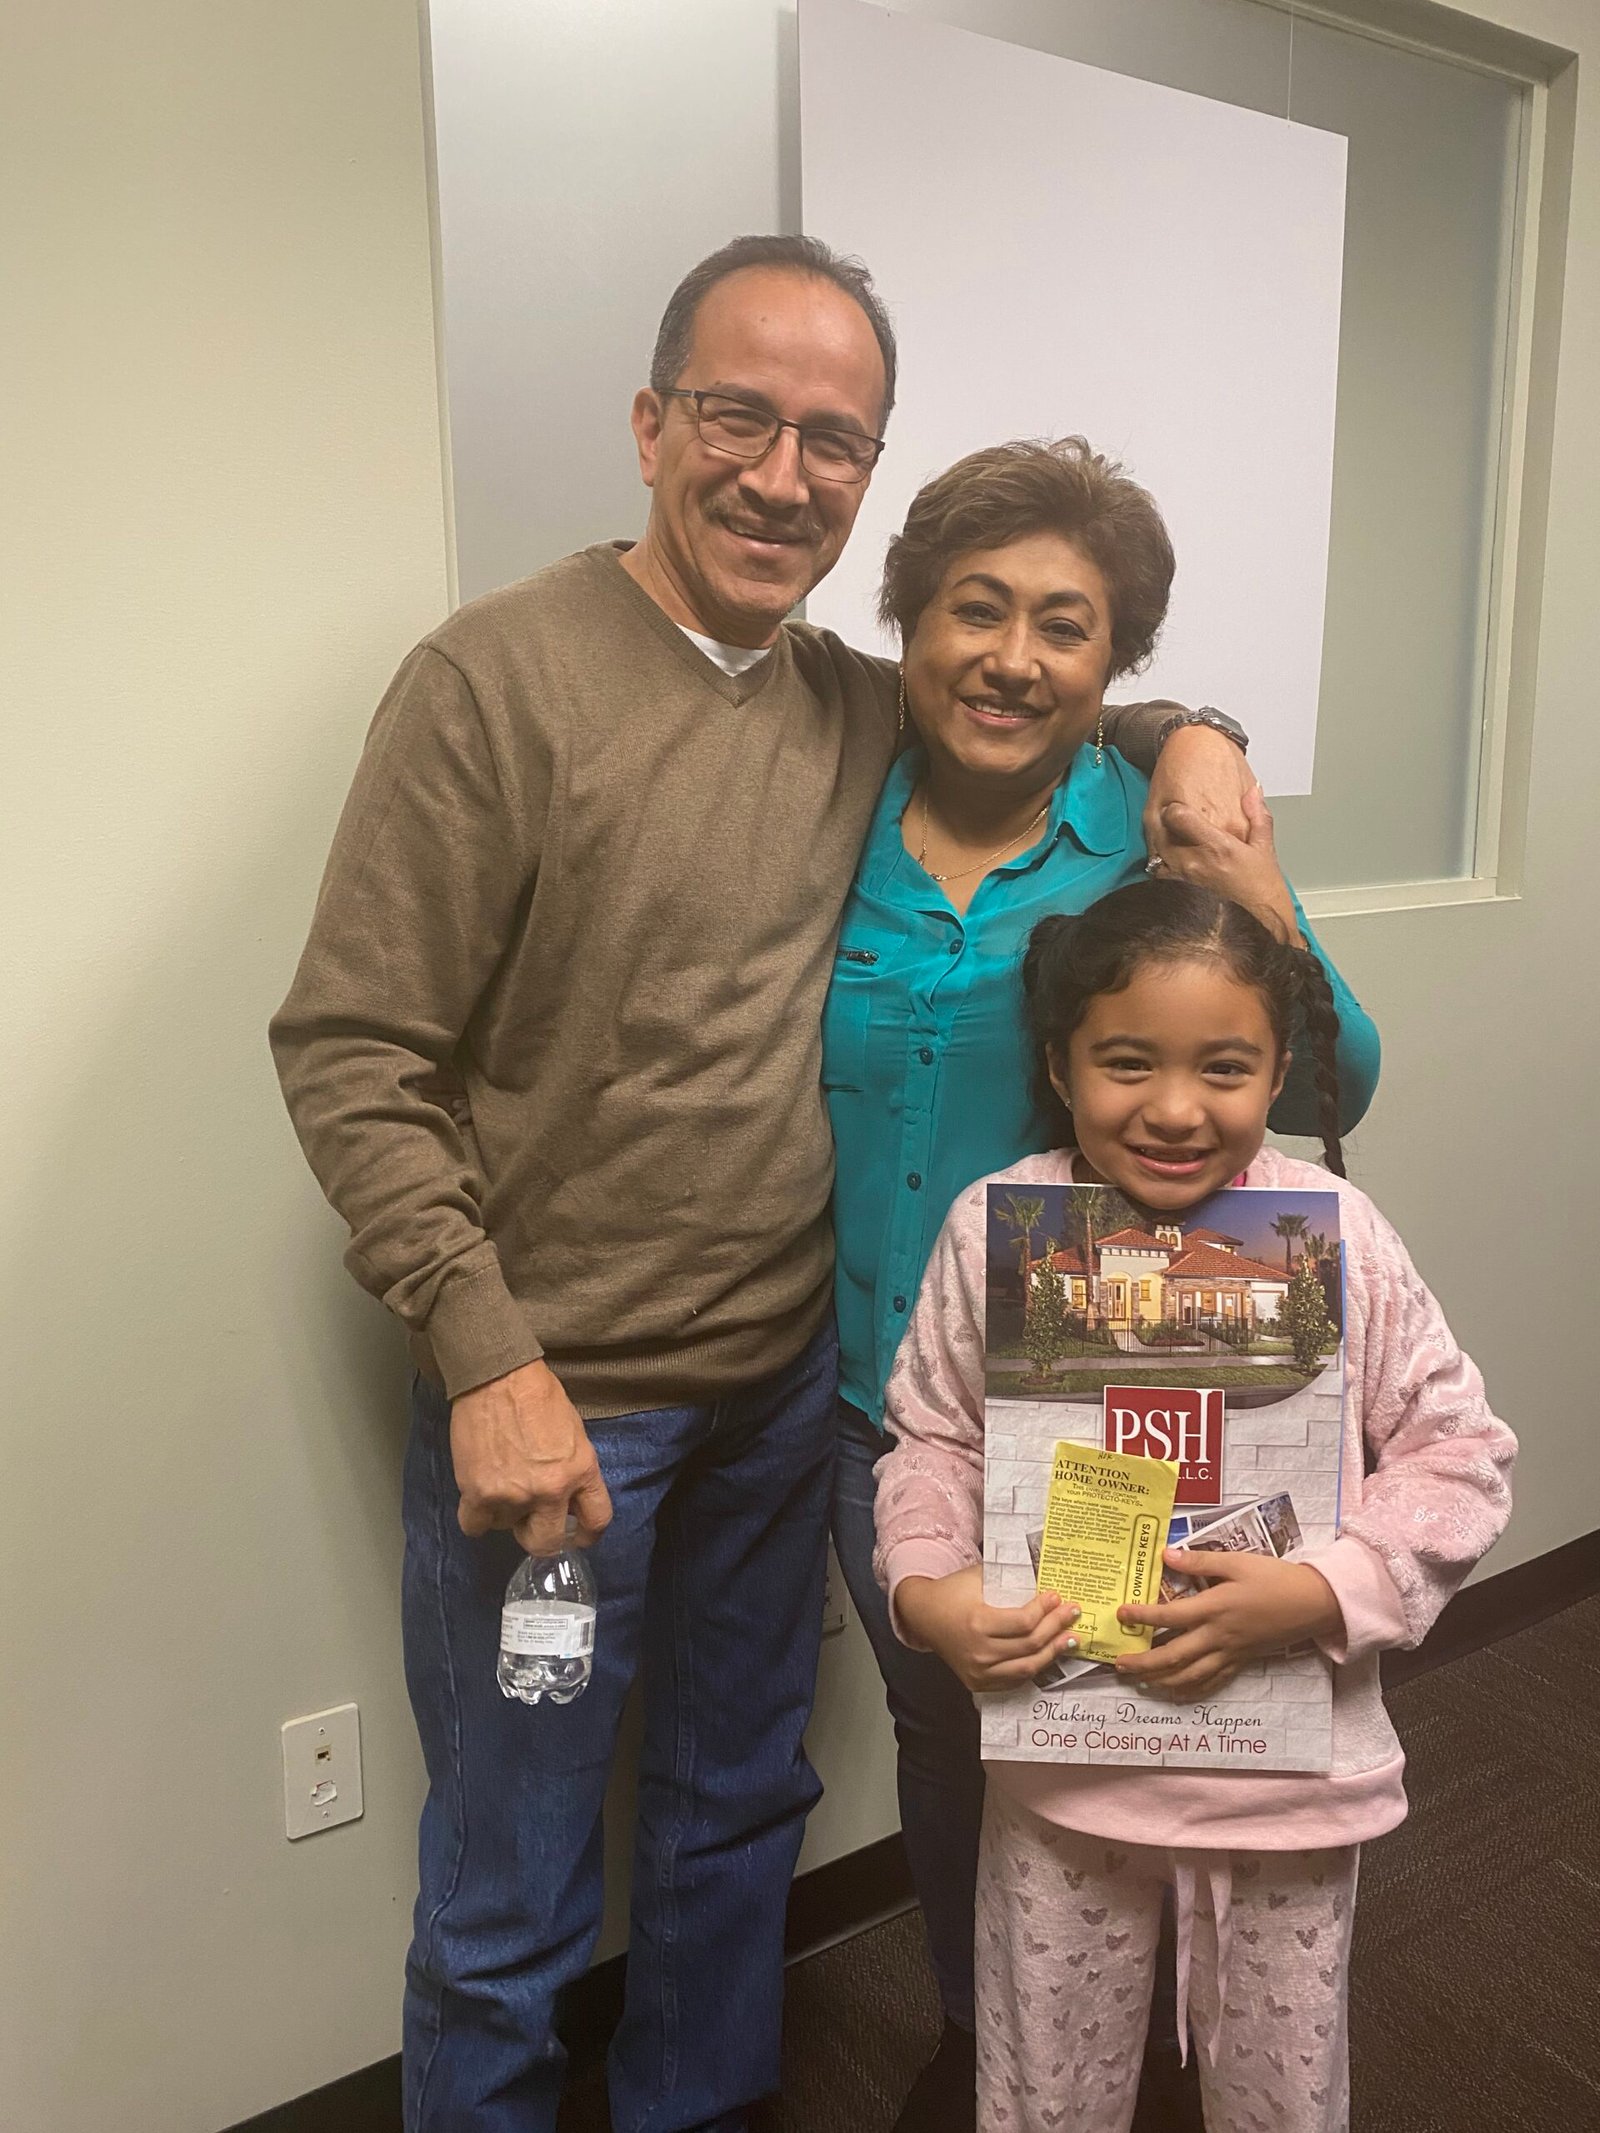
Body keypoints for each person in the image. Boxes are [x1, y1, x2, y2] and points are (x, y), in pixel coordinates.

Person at [268, 236, 1252, 2133]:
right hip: (559, 1407)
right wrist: (486, 1354)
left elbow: (1044, 687)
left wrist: (1190, 732)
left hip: (782, 1406)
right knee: (513, 1876)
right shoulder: (494, 679)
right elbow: (350, 1048)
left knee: (732, 1818)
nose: (782, 474)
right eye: (739, 417)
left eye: (834, 439)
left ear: (868, 472)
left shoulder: (847, 705)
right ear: (653, 423)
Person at [824, 438, 1380, 2129]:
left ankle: (1164, 2044)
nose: (1012, 656)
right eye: (974, 609)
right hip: (878, 1387)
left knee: (1145, 1705)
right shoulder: (833, 803)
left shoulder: (1153, 830)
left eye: (1064, 626)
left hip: (1106, 1390)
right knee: (953, 1730)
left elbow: (1336, 1075)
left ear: (1113, 660)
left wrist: (1239, 840)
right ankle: (990, 2025)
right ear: (911, 622)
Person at [873, 877, 1515, 2133]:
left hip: (1286, 1778)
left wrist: (1323, 1590)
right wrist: (928, 1589)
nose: (1174, 1109)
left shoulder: (1336, 1232)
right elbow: (934, 1436)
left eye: (1223, 1067)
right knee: (1045, 2085)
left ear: (1277, 1073)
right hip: (1068, 1774)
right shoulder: (994, 1230)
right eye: (1126, 1062)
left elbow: (1458, 1454)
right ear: (1058, 1065)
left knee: (1281, 2090)